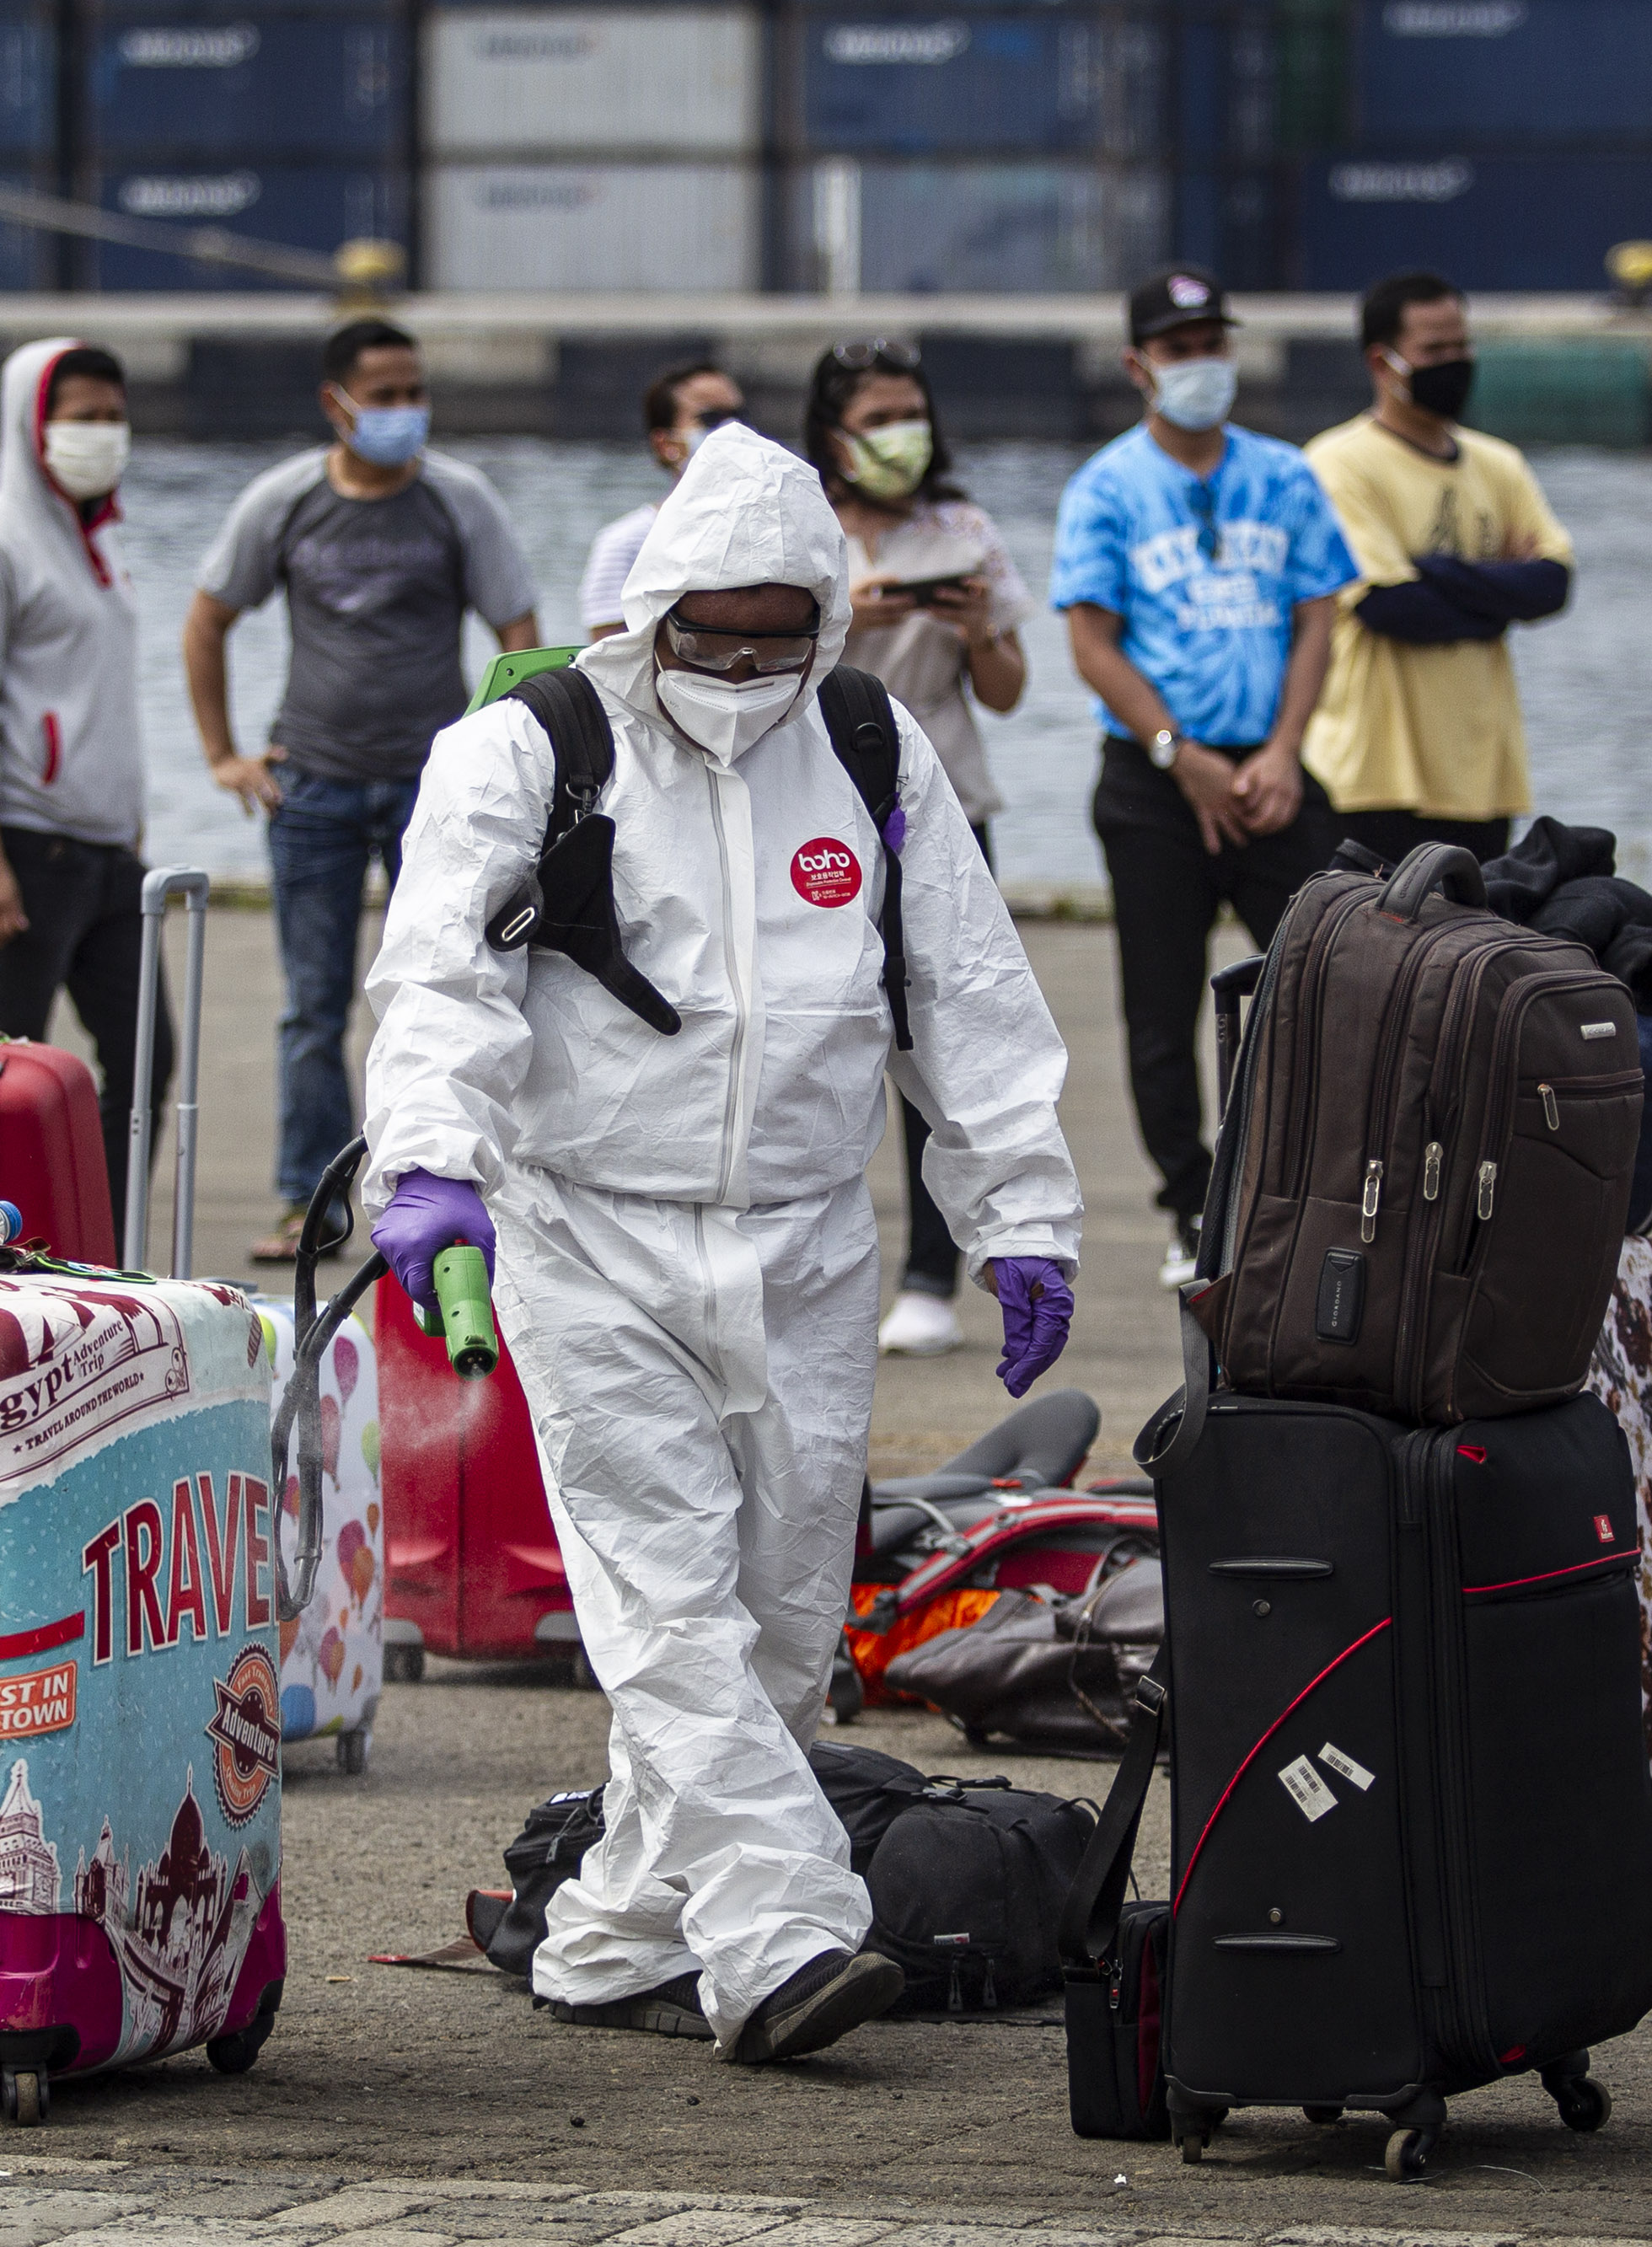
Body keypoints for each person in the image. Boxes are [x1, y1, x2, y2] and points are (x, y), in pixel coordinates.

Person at [360, 424, 1080, 2063]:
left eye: (776, 637)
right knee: (665, 1600)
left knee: (780, 1631)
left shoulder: (867, 747)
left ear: (825, 616)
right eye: (712, 636)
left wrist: (1019, 1212)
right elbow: (439, 976)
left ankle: (610, 1932)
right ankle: (784, 1939)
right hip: (586, 1232)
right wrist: (432, 1165)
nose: (744, 671)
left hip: (809, 1243)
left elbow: (966, 993)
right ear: (654, 611)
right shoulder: (530, 749)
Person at [185, 317, 540, 1261]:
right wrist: (223, 755)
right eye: (383, 396)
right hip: (312, 787)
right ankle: (312, 1201)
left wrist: (510, 760)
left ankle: (455, 1184)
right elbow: (207, 618)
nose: (404, 411)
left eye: (414, 393)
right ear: (335, 405)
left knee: (456, 988)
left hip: (436, 791)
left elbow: (519, 630)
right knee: (314, 1005)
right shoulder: (285, 501)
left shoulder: (457, 499)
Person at [1054, 265, 1355, 1287]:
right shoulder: (1106, 488)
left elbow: (1317, 615)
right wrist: (1177, 754)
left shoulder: (1285, 475)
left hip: (1270, 772)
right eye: (1179, 349)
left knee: (1328, 978)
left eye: (1212, 344)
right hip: (1156, 782)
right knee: (1160, 1005)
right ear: (1139, 365)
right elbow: (1092, 643)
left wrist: (1282, 750)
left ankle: (1307, 1181)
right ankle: (1189, 1201)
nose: (1201, 364)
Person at [807, 336, 1034, 1358]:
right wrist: (845, 617)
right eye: (877, 418)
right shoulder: (805, 528)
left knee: (938, 1032)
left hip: (942, 796)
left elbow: (1008, 690)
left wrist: (978, 625)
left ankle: (933, 1272)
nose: (901, 435)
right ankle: (815, 1255)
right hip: (818, 803)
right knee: (819, 1024)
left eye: (912, 414)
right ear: (832, 433)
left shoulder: (964, 529)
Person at [0, 339, 165, 1211]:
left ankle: (101, 1240)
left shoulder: (97, 542)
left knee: (145, 1060)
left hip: (108, 854)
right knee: (3, 1068)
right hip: (25, 845)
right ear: (32, 424)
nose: (103, 433)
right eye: (82, 417)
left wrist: (129, 819)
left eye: (114, 416)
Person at [1302, 267, 1574, 870]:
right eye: (1434, 351)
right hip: (1373, 773)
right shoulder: (1339, 464)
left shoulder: (1499, 465)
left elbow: (1553, 584)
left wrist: (1436, 571)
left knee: (1472, 932)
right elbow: (1390, 606)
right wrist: (1498, 601)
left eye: (1461, 347)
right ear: (1383, 361)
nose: (1454, 363)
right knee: (1363, 931)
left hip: (1482, 773)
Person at [581, 359, 744, 641]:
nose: (733, 429)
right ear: (665, 444)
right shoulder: (625, 544)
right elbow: (607, 655)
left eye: (739, 416)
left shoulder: (769, 528)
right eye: (710, 419)